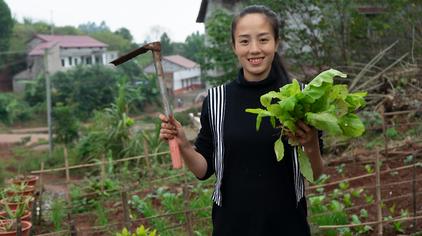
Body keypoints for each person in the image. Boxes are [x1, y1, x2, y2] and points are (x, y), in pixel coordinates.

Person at [159, 5, 323, 235]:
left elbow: (314, 173)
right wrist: (184, 144)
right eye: (244, 41)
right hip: (232, 227)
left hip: (288, 226)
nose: (254, 49)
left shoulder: (300, 98)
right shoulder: (217, 100)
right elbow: (203, 170)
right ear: (234, 46)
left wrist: (311, 142)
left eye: (263, 39)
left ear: (276, 43)